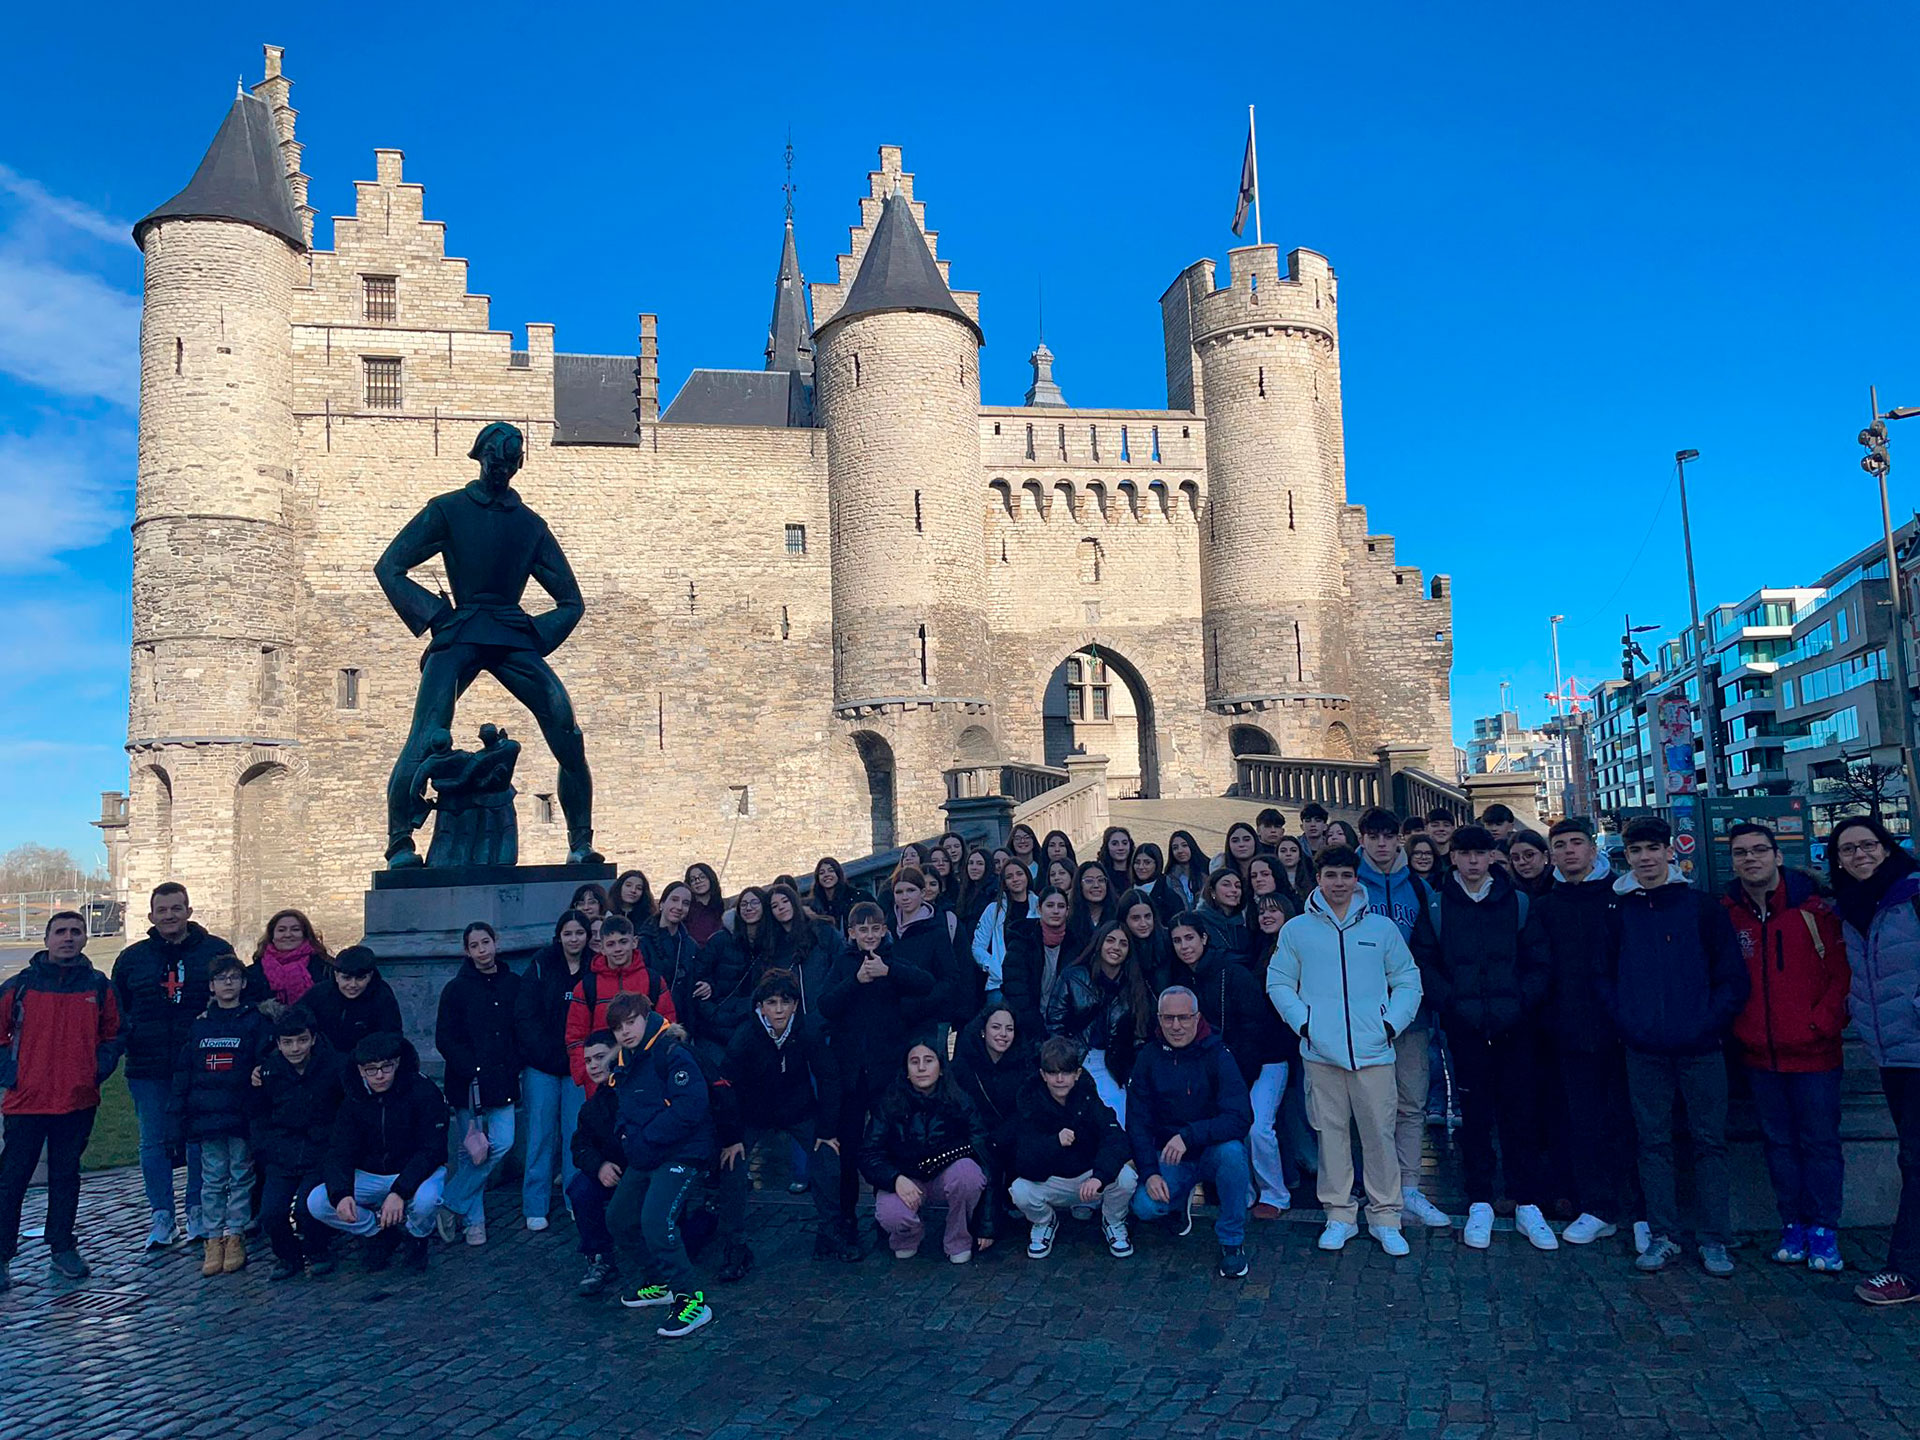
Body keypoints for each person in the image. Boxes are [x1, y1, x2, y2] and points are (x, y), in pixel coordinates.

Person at [1601, 815, 1747, 1277]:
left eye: (1652, 849)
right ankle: (1663, 1234)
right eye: (1635, 851)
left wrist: (1707, 1023)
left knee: (1710, 1142)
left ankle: (1715, 1237)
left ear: (1669, 852)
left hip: (1701, 1046)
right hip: (1643, 1047)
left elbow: (1731, 977)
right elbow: (1603, 976)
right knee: (1653, 1142)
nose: (1644, 858)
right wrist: (1628, 1023)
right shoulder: (1618, 910)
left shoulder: (1702, 908)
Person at [1268, 845, 1422, 1257]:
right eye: (1331, 875)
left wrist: (1390, 1025)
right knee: (1331, 1137)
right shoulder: (1297, 930)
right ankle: (1339, 1214)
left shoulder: (1381, 928)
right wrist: (1305, 1024)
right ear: (1319, 878)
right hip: (1321, 1054)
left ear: (1357, 880)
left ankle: (1386, 1216)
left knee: (1379, 1137)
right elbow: (1279, 981)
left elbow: (1407, 979)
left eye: (1346, 875)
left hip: (1374, 1052)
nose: (1339, 883)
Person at [1410, 824, 1556, 1252]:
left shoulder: (1517, 902)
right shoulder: (1438, 905)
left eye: (1480, 853)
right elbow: (1424, 962)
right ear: (1453, 857)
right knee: (1473, 1115)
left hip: (1514, 1024)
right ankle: (1479, 1199)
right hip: (1465, 1025)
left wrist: (1520, 1003)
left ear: (1492, 856)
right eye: (1465, 853)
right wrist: (1452, 1003)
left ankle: (1526, 1200)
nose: (1473, 861)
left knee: (1520, 1112)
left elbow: (1538, 962)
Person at [1721, 821, 1849, 1273]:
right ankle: (1792, 1224)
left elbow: (1841, 975)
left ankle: (1824, 1229)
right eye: (1741, 852)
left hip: (1815, 1054)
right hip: (1759, 1054)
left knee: (1820, 1144)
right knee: (1778, 1145)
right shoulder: (1728, 914)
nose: (1750, 859)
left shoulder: (1815, 911)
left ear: (1777, 856)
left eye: (1759, 850)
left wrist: (1821, 1023)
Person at [113, 881, 244, 1249]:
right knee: (153, 1142)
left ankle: (198, 1211)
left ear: (188, 911)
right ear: (151, 915)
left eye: (176, 908)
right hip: (148, 1063)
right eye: (162, 910)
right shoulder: (132, 958)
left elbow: (230, 994)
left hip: (200, 1064)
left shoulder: (215, 950)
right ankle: (162, 1216)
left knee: (198, 1140)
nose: (169, 915)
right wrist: (131, 1034)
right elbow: (118, 1008)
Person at [0, 911, 122, 1291]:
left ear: (85, 938)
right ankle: (2, 1254)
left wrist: (94, 1069)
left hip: (76, 1100)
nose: (68, 938)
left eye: (76, 932)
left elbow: (114, 1034)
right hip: (27, 1101)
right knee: (11, 1179)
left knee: (66, 1177)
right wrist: (11, 1073)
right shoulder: (20, 986)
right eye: (61, 931)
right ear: (47, 939)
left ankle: (62, 1246)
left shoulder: (98, 986)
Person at [1828, 817, 1920, 1305]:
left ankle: (1907, 1270)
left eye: (1868, 845)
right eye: (1848, 849)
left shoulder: (1912, 894)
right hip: (1891, 1052)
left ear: (1886, 848)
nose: (1859, 855)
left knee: (1916, 1160)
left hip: (1915, 1044)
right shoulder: (1851, 907)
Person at [1537, 818, 1640, 1249]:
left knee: (1632, 1122)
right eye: (1560, 845)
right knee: (1584, 1122)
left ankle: (1640, 1211)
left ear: (1593, 849)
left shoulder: (1623, 897)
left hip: (1625, 1028)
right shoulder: (1546, 905)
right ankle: (1597, 1206)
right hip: (1570, 1030)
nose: (1569, 851)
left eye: (1576, 843)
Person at [714, 971, 848, 1274]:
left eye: (785, 1003)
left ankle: (831, 1231)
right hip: (752, 1112)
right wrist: (731, 1136)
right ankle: (734, 1246)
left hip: (798, 1109)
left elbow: (829, 1076)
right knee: (732, 1164)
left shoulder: (807, 1030)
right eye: (771, 1003)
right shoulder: (745, 1036)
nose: (778, 1010)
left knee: (827, 1156)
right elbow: (724, 1087)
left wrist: (827, 1129)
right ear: (760, 1006)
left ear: (795, 1005)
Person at [819, 901, 937, 1233]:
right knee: (850, 1145)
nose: (869, 935)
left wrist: (889, 971)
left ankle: (890, 1209)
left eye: (875, 929)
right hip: (852, 1073)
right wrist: (855, 981)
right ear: (852, 933)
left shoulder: (892, 958)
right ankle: (847, 1216)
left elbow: (926, 983)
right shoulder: (844, 962)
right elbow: (825, 1004)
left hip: (887, 1072)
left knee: (890, 1141)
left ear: (884, 930)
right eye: (863, 930)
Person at [1355, 807, 1448, 1230]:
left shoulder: (1417, 886)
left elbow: (1431, 945)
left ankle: (1409, 1185)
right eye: (1373, 836)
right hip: (1363, 1014)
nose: (1381, 844)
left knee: (1411, 1102)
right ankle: (1376, 1187)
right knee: (1369, 1107)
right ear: (1362, 839)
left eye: (1388, 836)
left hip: (1411, 1013)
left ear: (1399, 839)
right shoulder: (1350, 884)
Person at [607, 989, 717, 1337]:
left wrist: (645, 1137)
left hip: (682, 1152)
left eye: (631, 1022)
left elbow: (691, 1107)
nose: (625, 1031)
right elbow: (625, 1107)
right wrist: (626, 1136)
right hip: (647, 1152)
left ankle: (692, 1300)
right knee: (619, 1217)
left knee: (657, 1220)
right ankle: (659, 1280)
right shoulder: (625, 1060)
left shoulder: (672, 1053)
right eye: (618, 1027)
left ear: (646, 1018)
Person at [1165, 914, 1290, 1219]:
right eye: (1177, 940)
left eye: (1189, 938)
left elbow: (1254, 1030)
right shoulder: (1180, 979)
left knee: (1257, 1127)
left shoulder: (1234, 974)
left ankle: (1275, 1194)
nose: (1184, 946)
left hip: (1265, 1060)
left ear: (1204, 938)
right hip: (1220, 1067)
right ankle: (1242, 1192)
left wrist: (1235, 1079)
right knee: (1226, 1128)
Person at [1126, 984, 1254, 1277]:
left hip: (1212, 1150)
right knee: (1145, 1207)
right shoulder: (1148, 1057)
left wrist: (1189, 1135)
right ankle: (1178, 1203)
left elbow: (1241, 1117)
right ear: (1159, 1019)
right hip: (1169, 1157)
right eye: (1168, 1018)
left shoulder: (1219, 1054)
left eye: (1183, 1017)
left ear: (1197, 1018)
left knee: (1234, 1153)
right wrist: (1150, 1172)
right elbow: (1137, 1122)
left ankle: (1232, 1240)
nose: (1176, 1026)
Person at [307, 1032, 448, 1272]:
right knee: (318, 1201)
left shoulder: (423, 1091)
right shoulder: (354, 1098)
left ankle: (417, 1236)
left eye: (386, 1067)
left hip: (414, 1170)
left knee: (427, 1200)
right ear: (361, 1070)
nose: (380, 1075)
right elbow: (340, 1150)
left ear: (397, 1063)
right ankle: (377, 1232)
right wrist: (342, 1193)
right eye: (371, 1070)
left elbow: (432, 1149)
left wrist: (400, 1191)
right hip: (370, 1172)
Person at [168, 952, 273, 1276]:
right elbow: (186, 1070)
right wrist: (179, 1112)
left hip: (241, 1112)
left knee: (241, 1174)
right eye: (221, 979)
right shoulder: (200, 1025)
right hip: (207, 1114)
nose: (228, 984)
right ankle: (213, 1237)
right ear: (211, 986)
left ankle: (235, 1233)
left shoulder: (255, 1021)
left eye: (234, 977)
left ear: (243, 983)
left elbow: (264, 1060)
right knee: (212, 1178)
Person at [859, 1037, 996, 1263]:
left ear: (941, 1068)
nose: (921, 1068)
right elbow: (868, 1153)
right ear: (906, 1071)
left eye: (929, 1060)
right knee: (892, 1214)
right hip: (905, 1180)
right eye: (914, 1062)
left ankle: (958, 1238)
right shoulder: (888, 1104)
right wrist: (894, 1179)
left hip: (946, 1177)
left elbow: (983, 1154)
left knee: (968, 1175)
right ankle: (909, 1235)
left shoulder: (960, 1101)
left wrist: (987, 1224)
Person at [1008, 1036, 1139, 1259]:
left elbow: (1116, 1139)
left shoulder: (1089, 1099)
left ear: (1077, 1074)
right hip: (1051, 1181)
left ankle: (1113, 1220)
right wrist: (1054, 1142)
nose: (1060, 1079)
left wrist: (1099, 1177)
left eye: (1066, 1072)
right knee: (1019, 1191)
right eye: (1053, 1073)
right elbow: (1022, 1160)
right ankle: (1044, 1221)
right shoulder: (1030, 1105)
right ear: (1043, 1075)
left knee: (1127, 1177)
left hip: (1089, 1179)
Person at [434, 921, 521, 1246]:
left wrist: (513, 1061)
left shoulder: (512, 983)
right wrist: (471, 1067)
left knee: (502, 1142)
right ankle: (475, 1222)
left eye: (486, 942)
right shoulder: (456, 989)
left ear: (495, 943)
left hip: (503, 1079)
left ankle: (450, 1202)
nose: (482, 950)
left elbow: (518, 1028)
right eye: (475, 945)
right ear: (467, 951)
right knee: (472, 1151)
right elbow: (445, 1037)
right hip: (468, 1081)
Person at [249, 1005, 342, 1282]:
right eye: (287, 1042)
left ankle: (318, 1250)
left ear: (313, 1039)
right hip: (282, 1151)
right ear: (278, 1044)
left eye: (301, 1040)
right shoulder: (269, 1072)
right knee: (271, 1212)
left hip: (321, 1150)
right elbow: (258, 1114)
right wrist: (266, 1148)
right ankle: (287, 1256)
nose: (295, 1048)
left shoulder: (334, 1067)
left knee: (307, 1207)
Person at [515, 910, 591, 1231]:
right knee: (540, 1135)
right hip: (542, 1064)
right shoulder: (540, 965)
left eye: (579, 933)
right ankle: (535, 1203)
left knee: (576, 1133)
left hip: (579, 1065)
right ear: (559, 936)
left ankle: (577, 1199)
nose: (574, 939)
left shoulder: (593, 966)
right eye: (568, 933)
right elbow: (526, 1015)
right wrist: (543, 1053)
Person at [1045, 922, 1156, 1127]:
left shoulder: (1135, 985)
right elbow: (1054, 1024)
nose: (1116, 947)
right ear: (1099, 944)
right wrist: (1064, 1061)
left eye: (1123, 943)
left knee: (1119, 1119)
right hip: (1074, 1058)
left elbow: (1139, 1035)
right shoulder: (1073, 976)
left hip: (1112, 1062)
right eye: (1110, 940)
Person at [567, 914, 674, 1088]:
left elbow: (667, 1027)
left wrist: (662, 1067)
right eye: (611, 944)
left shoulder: (653, 980)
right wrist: (587, 1075)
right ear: (602, 948)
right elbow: (576, 1036)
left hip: (646, 1075)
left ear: (634, 942)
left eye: (623, 942)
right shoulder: (587, 986)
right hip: (601, 1080)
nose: (617, 949)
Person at [566, 1029, 624, 1295]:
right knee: (580, 1189)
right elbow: (580, 1147)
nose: (593, 1066)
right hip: (613, 1171)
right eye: (588, 1060)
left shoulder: (636, 1090)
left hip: (644, 1167)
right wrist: (600, 1166)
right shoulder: (592, 1107)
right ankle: (599, 1256)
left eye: (600, 1057)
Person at [306, 945, 404, 1057]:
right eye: (346, 978)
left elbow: (391, 1034)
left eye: (360, 978)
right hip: (325, 1059)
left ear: (370, 976)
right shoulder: (319, 994)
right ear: (336, 975)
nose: (353, 984)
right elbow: (298, 1018)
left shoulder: (382, 996)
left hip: (367, 1061)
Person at [1002, 887, 1072, 1039]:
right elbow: (1015, 987)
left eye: (1061, 906)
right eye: (1050, 905)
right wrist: (1035, 1025)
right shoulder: (1022, 940)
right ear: (1039, 909)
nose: (1055, 911)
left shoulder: (1076, 943)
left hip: (1063, 1026)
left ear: (1067, 911)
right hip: (1027, 1023)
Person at [974, 859, 1039, 1003]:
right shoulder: (993, 910)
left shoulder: (1040, 906)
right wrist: (993, 967)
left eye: (1019, 874)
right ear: (1004, 882)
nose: (1015, 879)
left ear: (1027, 876)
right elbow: (978, 946)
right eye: (1009, 876)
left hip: (1032, 984)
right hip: (1000, 985)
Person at [641, 883, 703, 1027]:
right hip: (652, 1020)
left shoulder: (691, 945)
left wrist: (707, 984)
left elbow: (699, 977)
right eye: (674, 900)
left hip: (685, 1021)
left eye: (685, 903)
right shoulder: (643, 942)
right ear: (662, 903)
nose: (679, 907)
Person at [247, 909, 332, 1010]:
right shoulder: (252, 973)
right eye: (281, 930)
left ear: (305, 934)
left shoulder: (326, 968)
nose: (288, 935)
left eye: (295, 930)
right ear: (272, 936)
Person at [1071, 862, 1116, 946]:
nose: (1096, 885)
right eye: (1089, 881)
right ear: (1079, 885)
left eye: (1101, 880)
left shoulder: (1118, 916)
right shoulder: (1070, 919)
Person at [1164, 831, 1211, 912]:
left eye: (1184, 845)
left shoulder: (1208, 871)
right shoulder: (1169, 878)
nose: (1180, 850)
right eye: (1175, 848)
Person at [682, 863, 727, 945]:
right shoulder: (686, 910)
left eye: (702, 877)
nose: (698, 881)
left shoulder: (725, 907)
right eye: (692, 880)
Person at [1507, 831, 1555, 897]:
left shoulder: (1561, 886)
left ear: (1545, 856)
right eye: (1515, 858)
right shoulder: (1507, 890)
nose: (1522, 862)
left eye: (1529, 855)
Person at [1098, 826, 1135, 898]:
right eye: (1115, 844)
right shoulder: (1101, 875)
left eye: (1124, 843)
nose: (1120, 848)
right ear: (1107, 846)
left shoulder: (1139, 873)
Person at [1275, 836, 1316, 900]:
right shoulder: (1272, 881)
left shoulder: (1312, 880)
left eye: (1293, 850)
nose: (1288, 854)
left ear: (1300, 856)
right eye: (1283, 851)